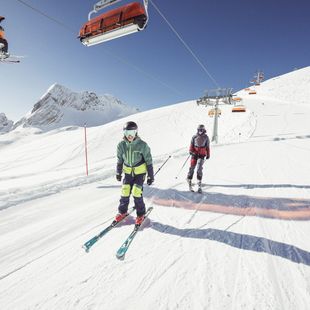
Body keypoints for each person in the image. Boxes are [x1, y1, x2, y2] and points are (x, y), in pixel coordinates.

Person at [115, 121, 154, 225]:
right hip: (128, 173)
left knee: (136, 192)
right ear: (124, 133)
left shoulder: (142, 145)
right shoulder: (121, 145)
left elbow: (148, 161)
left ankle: (141, 214)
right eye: (127, 133)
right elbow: (119, 160)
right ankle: (122, 212)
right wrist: (118, 172)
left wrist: (150, 176)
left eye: (132, 132)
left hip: (139, 173)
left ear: (136, 132)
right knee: (125, 191)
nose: (130, 136)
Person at [187, 124, 210, 192]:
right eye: (199, 130)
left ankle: (199, 181)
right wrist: (191, 151)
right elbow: (191, 145)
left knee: (199, 168)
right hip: (195, 154)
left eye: (201, 130)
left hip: (202, 154)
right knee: (192, 166)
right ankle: (189, 178)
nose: (200, 131)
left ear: (203, 130)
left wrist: (208, 154)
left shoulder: (206, 137)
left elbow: (207, 147)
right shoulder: (194, 137)